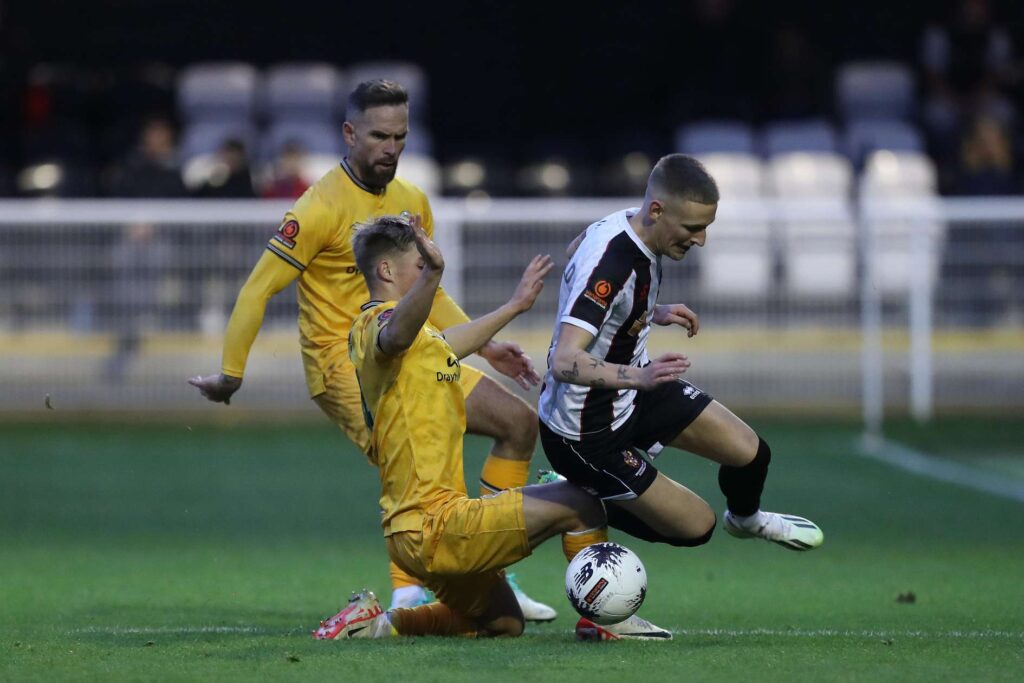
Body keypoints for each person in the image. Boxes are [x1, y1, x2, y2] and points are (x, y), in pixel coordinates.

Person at [188, 79, 555, 619]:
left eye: (400, 137)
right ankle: (408, 591)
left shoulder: (412, 202)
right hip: (344, 365)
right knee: (409, 459)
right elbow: (257, 288)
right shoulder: (317, 208)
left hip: (415, 354)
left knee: (519, 425)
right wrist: (230, 374)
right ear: (349, 132)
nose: (391, 148)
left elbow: (426, 291)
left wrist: (488, 345)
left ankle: (494, 575)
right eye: (380, 135)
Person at [538, 153, 824, 641]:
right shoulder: (615, 261)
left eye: (706, 226)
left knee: (750, 452)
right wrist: (638, 376)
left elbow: (575, 252)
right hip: (585, 432)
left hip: (629, 395)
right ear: (656, 211)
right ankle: (574, 494)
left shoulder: (619, 228)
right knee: (695, 527)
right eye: (692, 227)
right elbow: (563, 361)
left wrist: (649, 311)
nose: (700, 239)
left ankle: (748, 519)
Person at [313, 215, 605, 639]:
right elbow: (394, 336)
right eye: (419, 264)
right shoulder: (372, 327)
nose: (427, 273)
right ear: (386, 271)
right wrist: (435, 272)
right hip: (437, 526)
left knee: (504, 623)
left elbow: (446, 345)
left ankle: (379, 625)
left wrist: (514, 307)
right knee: (582, 501)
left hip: (413, 536)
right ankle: (602, 622)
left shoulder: (421, 340)